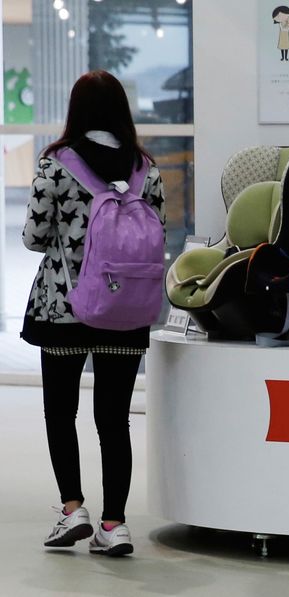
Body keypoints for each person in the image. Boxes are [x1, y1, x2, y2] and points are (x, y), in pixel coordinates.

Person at [21, 70, 166, 557]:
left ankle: (72, 509)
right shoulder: (147, 168)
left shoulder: (57, 165)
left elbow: (34, 238)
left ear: (77, 111)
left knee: (61, 412)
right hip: (126, 310)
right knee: (114, 419)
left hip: (63, 307)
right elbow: (157, 230)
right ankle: (115, 524)